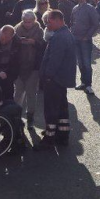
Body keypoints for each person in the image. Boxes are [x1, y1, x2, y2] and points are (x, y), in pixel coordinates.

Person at [36, 10, 76, 150]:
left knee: (51, 109)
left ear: (57, 19)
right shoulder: (66, 34)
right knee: (62, 108)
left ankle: (49, 138)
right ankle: (62, 135)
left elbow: (54, 60)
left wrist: (47, 76)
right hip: (62, 79)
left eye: (49, 21)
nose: (47, 25)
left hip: (54, 79)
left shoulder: (59, 37)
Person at [14, 10, 44, 129]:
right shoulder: (16, 29)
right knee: (18, 93)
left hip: (33, 67)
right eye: (25, 22)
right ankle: (16, 117)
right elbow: (12, 45)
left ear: (34, 20)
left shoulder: (39, 30)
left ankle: (30, 116)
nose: (27, 24)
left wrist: (34, 42)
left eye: (29, 22)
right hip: (19, 66)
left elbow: (43, 47)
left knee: (31, 93)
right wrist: (19, 41)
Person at [71, 0, 100, 95]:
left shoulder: (90, 8)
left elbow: (96, 24)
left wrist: (87, 36)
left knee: (87, 63)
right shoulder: (74, 8)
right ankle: (83, 82)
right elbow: (72, 22)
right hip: (75, 39)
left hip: (85, 40)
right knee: (80, 63)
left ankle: (88, 85)